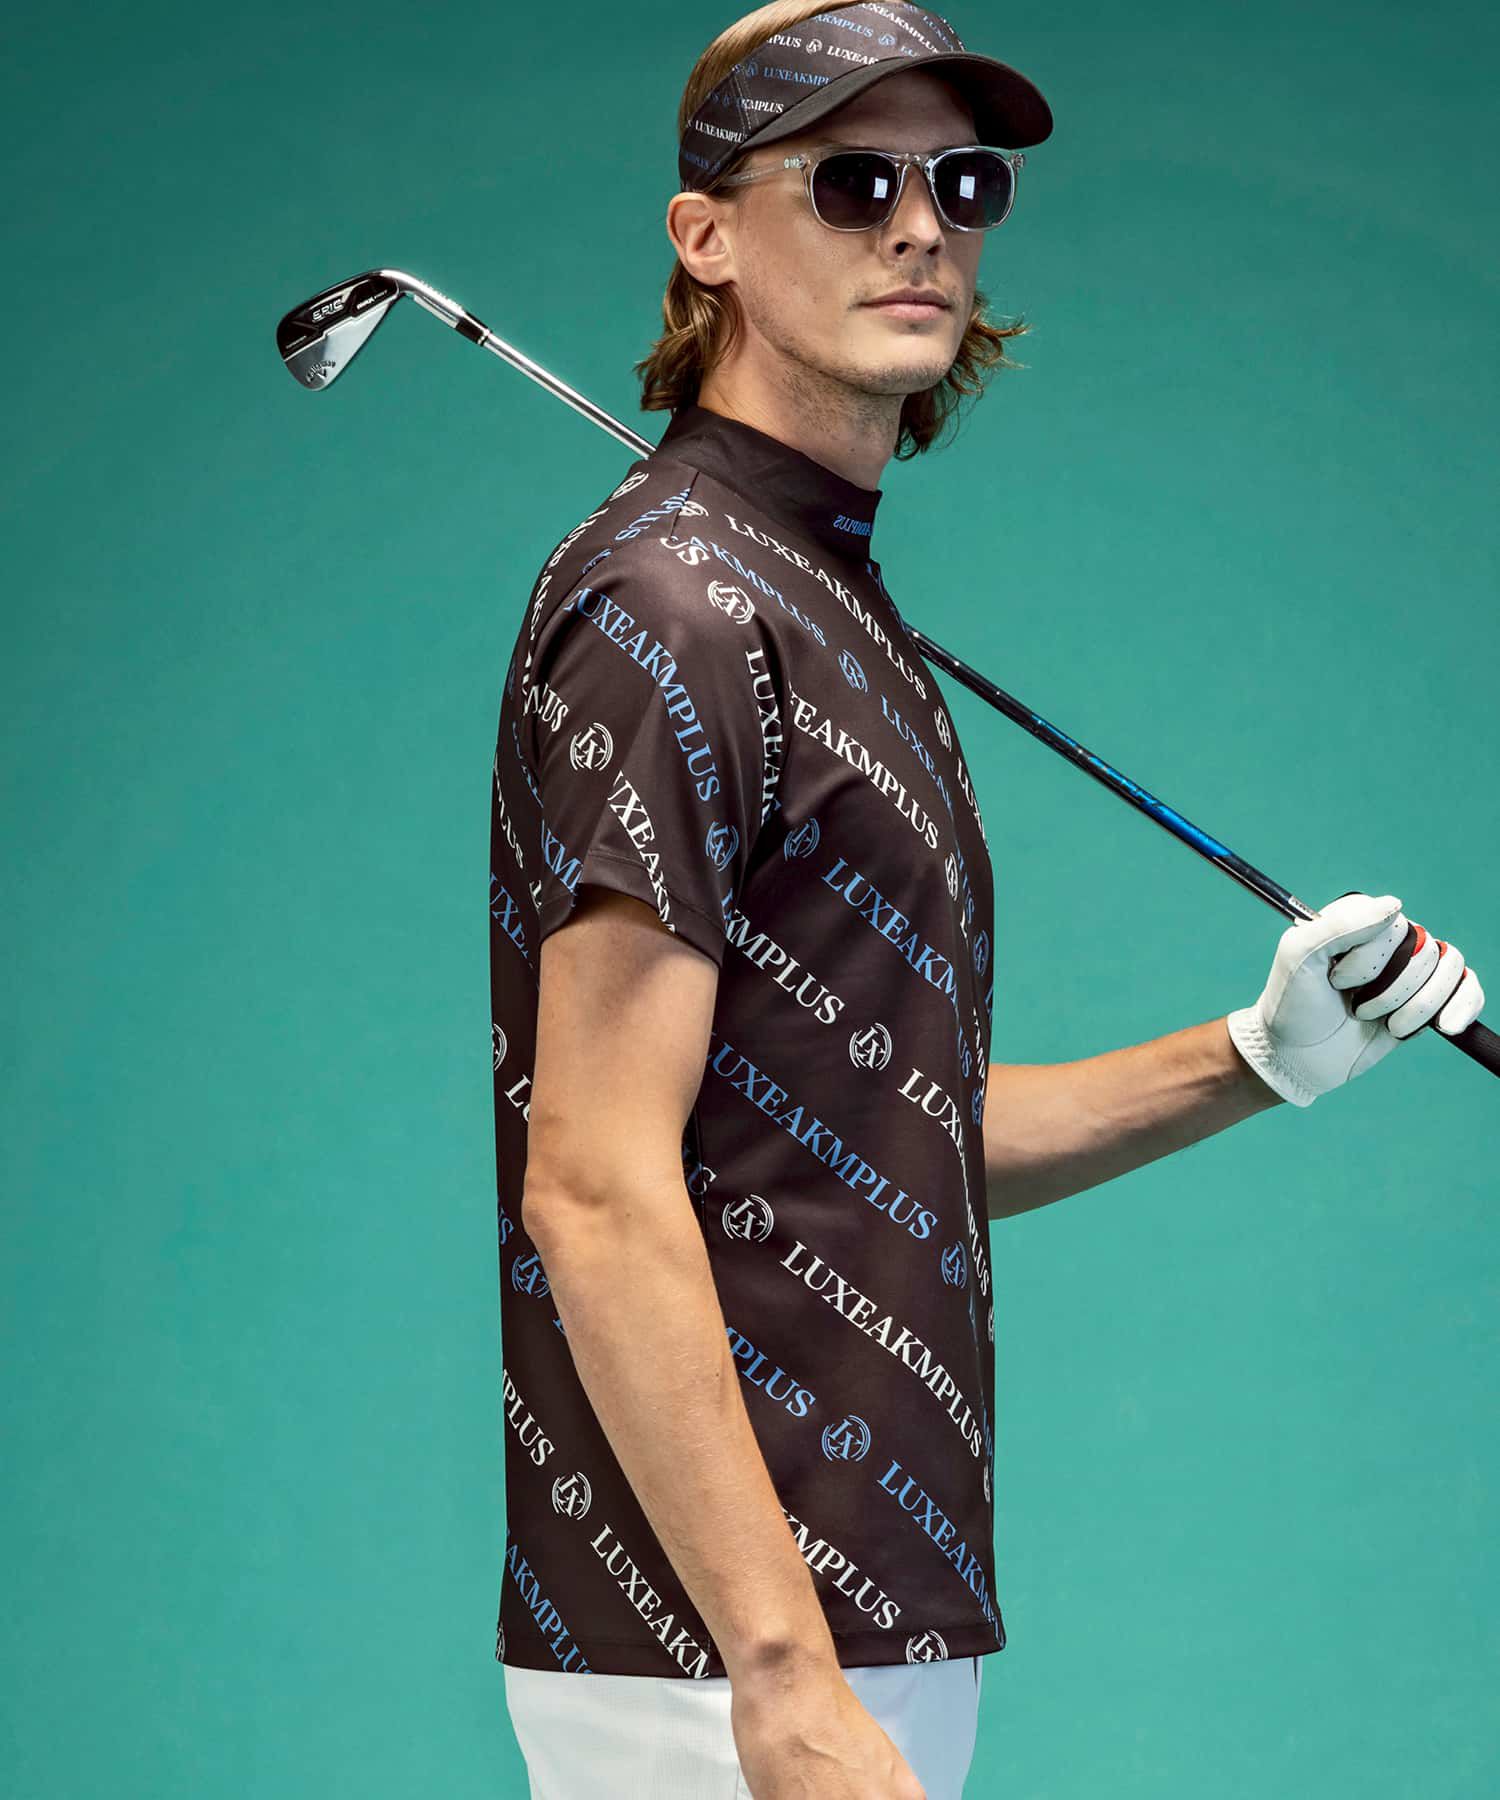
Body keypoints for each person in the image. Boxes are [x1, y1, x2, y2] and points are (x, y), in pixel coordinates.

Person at [486, 4, 1485, 1796]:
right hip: (717, 1653)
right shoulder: (676, 610)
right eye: (849, 181)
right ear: (706, 237)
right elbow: (594, 1176)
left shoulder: (826, 603)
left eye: (961, 183)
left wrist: (1263, 1053)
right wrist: (778, 1674)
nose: (919, 226)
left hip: (869, 1611)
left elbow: (879, 1140)